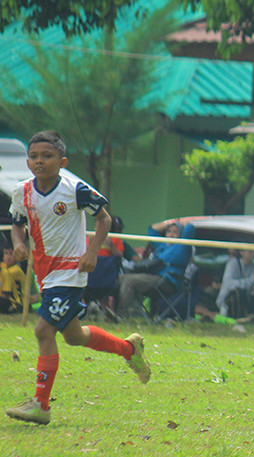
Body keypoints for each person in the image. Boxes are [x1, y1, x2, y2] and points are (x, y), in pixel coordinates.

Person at [5, 130, 150, 426]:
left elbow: (104, 218)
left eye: (47, 156)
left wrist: (93, 252)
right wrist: (19, 243)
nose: (39, 161)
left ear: (62, 161)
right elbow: (16, 224)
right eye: (33, 156)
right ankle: (129, 349)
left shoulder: (76, 189)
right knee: (74, 336)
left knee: (43, 331)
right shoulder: (23, 191)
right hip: (45, 275)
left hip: (71, 272)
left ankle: (41, 406)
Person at [117, 218, 196, 317]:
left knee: (129, 280)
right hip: (153, 277)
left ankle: (120, 315)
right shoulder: (162, 244)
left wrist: (182, 222)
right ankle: (106, 309)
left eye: (175, 232)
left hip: (168, 281)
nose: (171, 235)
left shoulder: (183, 246)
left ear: (180, 234)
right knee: (119, 278)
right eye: (169, 231)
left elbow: (190, 229)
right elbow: (152, 230)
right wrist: (169, 222)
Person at [217, 249, 254, 324]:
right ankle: (237, 319)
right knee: (238, 291)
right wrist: (252, 280)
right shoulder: (233, 264)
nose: (253, 254)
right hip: (229, 300)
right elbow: (229, 284)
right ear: (241, 252)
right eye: (250, 251)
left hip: (246, 300)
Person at [1, 238, 29, 313]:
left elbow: (5, 294)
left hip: (16, 304)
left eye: (11, 253)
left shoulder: (14, 271)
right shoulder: (5, 267)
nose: (8, 257)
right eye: (6, 253)